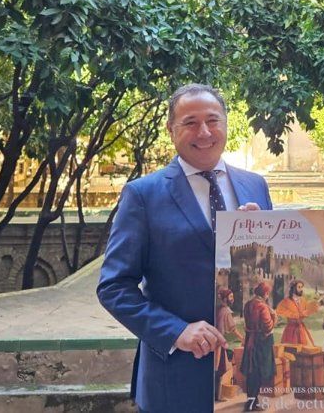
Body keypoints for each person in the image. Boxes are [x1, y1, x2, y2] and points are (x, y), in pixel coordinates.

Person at [97, 83, 273, 413]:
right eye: (190, 122)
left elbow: (269, 264)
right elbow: (113, 287)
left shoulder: (255, 185)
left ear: (225, 123)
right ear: (171, 129)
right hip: (176, 376)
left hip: (247, 377)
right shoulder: (143, 195)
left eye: (212, 120)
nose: (204, 132)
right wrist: (176, 331)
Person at [241, 281, 278, 411]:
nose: (268, 295)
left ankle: (252, 401)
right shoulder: (262, 306)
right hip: (261, 343)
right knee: (259, 372)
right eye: (268, 293)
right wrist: (274, 317)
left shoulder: (248, 304)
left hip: (250, 341)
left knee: (251, 373)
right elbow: (268, 327)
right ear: (265, 293)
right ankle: (252, 404)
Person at [274, 279, 319, 346]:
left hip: (301, 328)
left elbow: (307, 310)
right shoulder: (286, 301)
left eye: (302, 287)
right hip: (291, 330)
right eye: (299, 287)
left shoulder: (303, 300)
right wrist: (298, 315)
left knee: (306, 347)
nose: (301, 289)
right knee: (291, 348)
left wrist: (312, 308)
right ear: (293, 288)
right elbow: (279, 311)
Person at [215, 288, 242, 401]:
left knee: (217, 369)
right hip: (218, 343)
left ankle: (216, 395)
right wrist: (243, 338)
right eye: (230, 297)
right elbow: (233, 328)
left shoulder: (218, 309)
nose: (232, 299)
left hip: (214, 341)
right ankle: (217, 396)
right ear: (225, 298)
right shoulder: (225, 311)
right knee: (220, 369)